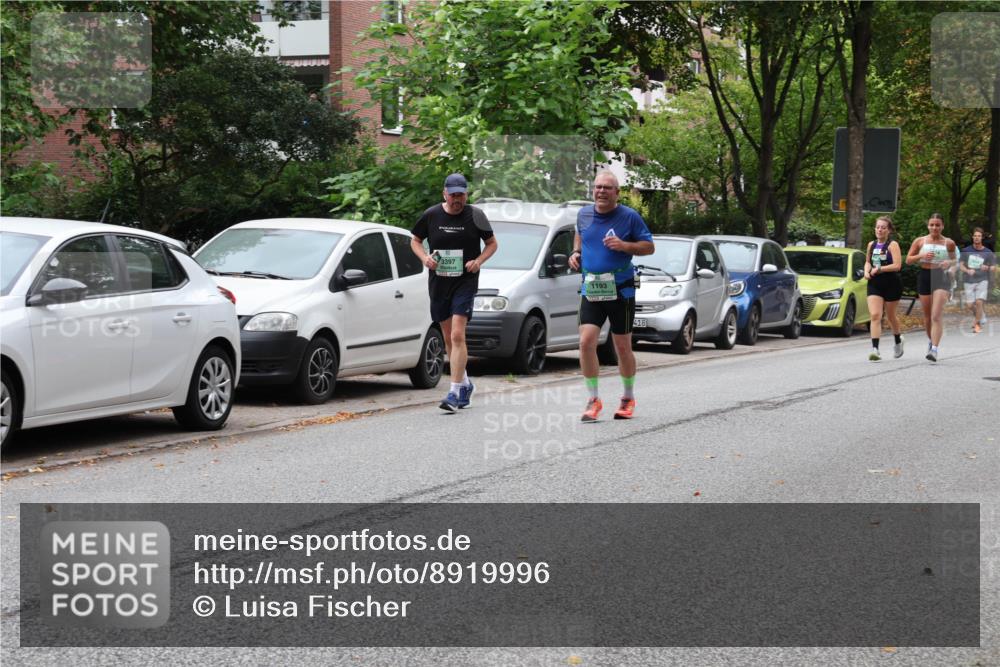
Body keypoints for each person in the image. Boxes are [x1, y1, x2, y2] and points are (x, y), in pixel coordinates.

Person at [568, 171, 654, 421]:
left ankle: (627, 397)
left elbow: (649, 247)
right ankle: (593, 399)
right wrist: (576, 252)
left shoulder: (629, 217)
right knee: (585, 342)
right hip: (592, 288)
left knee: (622, 346)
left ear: (617, 192)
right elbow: (580, 233)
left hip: (621, 288)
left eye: (607, 188)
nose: (602, 191)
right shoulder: (583, 214)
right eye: (598, 187)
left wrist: (625, 246)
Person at [410, 173, 498, 411]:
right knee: (449, 338)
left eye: (461, 194)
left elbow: (492, 244)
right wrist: (425, 258)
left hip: (465, 282)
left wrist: (478, 260)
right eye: (453, 195)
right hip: (439, 283)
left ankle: (454, 391)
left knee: (458, 335)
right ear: (444, 194)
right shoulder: (431, 215)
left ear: (466, 194)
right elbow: (415, 240)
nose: (457, 199)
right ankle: (465, 383)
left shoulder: (475, 215)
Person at [905, 213, 957, 362]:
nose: (934, 227)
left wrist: (949, 263)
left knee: (936, 315)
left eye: (937, 225)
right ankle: (931, 341)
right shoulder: (920, 241)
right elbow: (908, 260)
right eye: (932, 225)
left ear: (942, 226)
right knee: (927, 317)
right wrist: (921, 256)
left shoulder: (949, 243)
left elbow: (954, 260)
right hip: (925, 276)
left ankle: (934, 349)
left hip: (940, 276)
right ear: (928, 226)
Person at [863, 216, 904, 361]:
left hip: (891, 283)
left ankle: (898, 341)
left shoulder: (892, 245)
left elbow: (897, 266)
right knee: (875, 315)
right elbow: (867, 262)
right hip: (875, 283)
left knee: (891, 316)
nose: (880, 230)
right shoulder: (871, 245)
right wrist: (866, 271)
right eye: (878, 227)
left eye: (883, 227)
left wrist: (879, 269)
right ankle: (875, 349)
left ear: (889, 230)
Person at [961, 227, 997, 334]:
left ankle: (977, 324)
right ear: (972, 237)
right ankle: (982, 316)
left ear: (982, 238)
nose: (977, 238)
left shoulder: (988, 252)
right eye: (975, 236)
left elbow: (994, 267)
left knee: (979, 301)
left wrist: (988, 268)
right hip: (969, 280)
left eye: (979, 236)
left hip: (982, 279)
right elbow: (961, 265)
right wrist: (967, 270)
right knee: (970, 305)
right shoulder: (966, 250)